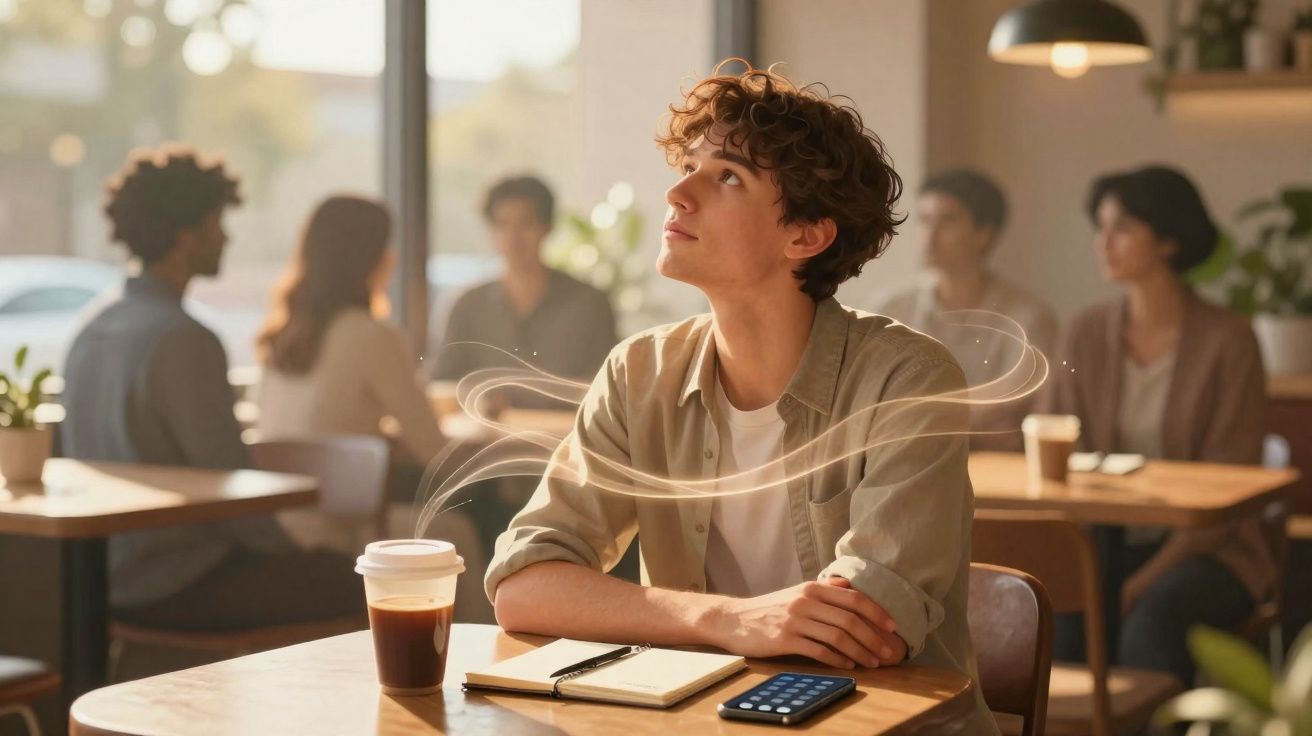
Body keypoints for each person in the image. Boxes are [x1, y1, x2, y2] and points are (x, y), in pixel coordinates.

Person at [484, 64, 996, 733]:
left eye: (727, 176)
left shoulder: (907, 378)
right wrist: (726, 620)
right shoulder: (640, 372)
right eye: (691, 164)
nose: (678, 191)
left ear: (806, 236)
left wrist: (670, 621)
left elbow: (874, 629)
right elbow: (524, 586)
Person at [60, 146, 362, 631]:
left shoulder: (92, 327)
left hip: (103, 580)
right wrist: (293, 552)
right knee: (366, 584)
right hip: (180, 582)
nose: (226, 236)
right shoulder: (184, 338)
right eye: (217, 222)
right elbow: (229, 486)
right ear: (185, 238)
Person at [1044, 165, 1269, 684]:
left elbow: (1229, 483)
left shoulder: (1229, 340)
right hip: (1099, 541)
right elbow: (1052, 439)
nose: (1103, 243)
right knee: (1054, 620)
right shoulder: (1084, 332)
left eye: (1121, 228)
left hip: (1211, 547)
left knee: (1153, 619)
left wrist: (1145, 578)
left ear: (1168, 238)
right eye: (1099, 228)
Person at [254, 195, 489, 622]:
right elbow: (434, 451)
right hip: (340, 530)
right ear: (371, 259)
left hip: (278, 527)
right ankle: (478, 667)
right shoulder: (369, 335)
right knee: (462, 533)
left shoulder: (281, 336)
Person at [875, 169, 1057, 452]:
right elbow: (875, 410)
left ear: (984, 234)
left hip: (1000, 475)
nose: (929, 236)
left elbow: (1028, 417)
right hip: (904, 466)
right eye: (924, 220)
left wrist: (918, 419)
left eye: (947, 222)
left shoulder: (1028, 318)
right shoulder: (891, 309)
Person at [431, 175, 619, 410]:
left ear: (547, 227)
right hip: (488, 438)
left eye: (526, 223)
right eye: (502, 224)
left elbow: (610, 385)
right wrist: (478, 396)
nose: (513, 237)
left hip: (569, 437)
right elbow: (441, 381)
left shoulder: (589, 303)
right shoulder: (467, 305)